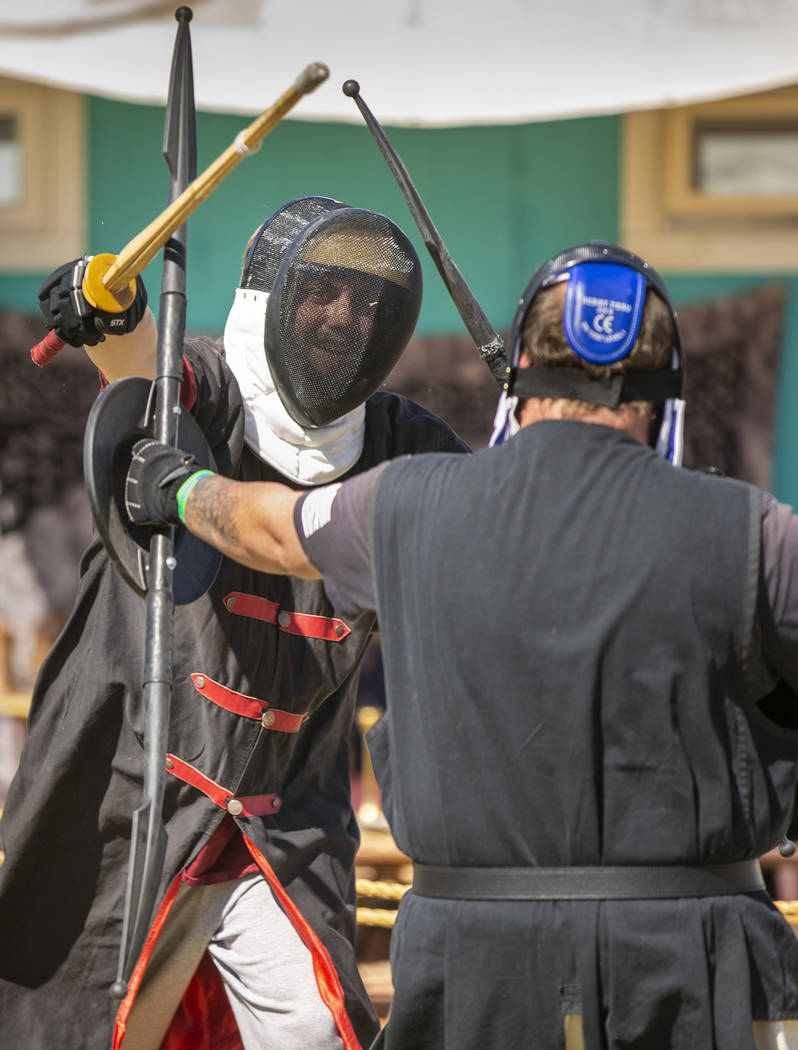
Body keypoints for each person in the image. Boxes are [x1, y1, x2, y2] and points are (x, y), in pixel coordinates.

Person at [125, 241, 798, 1050]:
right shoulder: (757, 534)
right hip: (696, 965)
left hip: (478, 976)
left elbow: (271, 530)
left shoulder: (403, 507)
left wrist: (179, 487)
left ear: (519, 372)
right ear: (664, 390)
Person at [0, 197, 469, 1050]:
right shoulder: (201, 394)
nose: (345, 318)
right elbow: (143, 368)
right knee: (80, 1031)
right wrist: (106, 311)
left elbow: (492, 528)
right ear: (269, 293)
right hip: (132, 796)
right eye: (324, 291)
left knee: (316, 1033)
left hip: (283, 820)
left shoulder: (405, 446)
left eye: (367, 302)